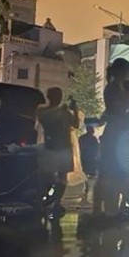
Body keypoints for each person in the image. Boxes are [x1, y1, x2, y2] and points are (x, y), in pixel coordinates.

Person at [96, 58, 129, 216]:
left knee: (117, 173)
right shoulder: (112, 88)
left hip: (121, 134)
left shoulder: (119, 87)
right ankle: (108, 210)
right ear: (123, 72)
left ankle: (112, 209)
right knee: (111, 173)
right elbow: (120, 109)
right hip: (115, 135)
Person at [36, 87, 81, 216]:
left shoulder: (43, 111)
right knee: (61, 177)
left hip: (51, 147)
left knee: (50, 176)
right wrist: (74, 110)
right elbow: (76, 124)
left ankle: (49, 201)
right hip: (62, 148)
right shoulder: (61, 112)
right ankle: (55, 201)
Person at [79, 125, 99, 202]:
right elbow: (96, 149)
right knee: (88, 174)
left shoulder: (83, 138)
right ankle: (87, 189)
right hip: (88, 158)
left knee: (87, 174)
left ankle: (87, 189)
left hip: (86, 158)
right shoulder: (92, 139)